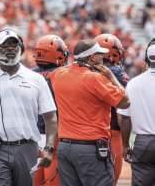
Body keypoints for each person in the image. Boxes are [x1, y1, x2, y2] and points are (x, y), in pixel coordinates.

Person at [0, 29, 58, 186]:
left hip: (27, 147)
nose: (10, 49)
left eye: (14, 45)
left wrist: (49, 147)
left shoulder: (36, 79)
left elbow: (50, 116)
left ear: (21, 49)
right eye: (4, 46)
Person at [49, 39, 130, 186]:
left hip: (65, 147)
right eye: (99, 54)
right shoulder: (96, 79)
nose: (103, 58)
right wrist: (111, 78)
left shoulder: (58, 75)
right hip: (91, 148)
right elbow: (125, 102)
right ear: (92, 57)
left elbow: (59, 73)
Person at [32, 35, 69, 186]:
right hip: (53, 135)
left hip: (31, 135)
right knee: (52, 180)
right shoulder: (62, 74)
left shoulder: (28, 74)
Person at [117, 38, 155, 186]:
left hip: (143, 142)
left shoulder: (134, 83)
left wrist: (125, 145)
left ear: (146, 59)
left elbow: (124, 119)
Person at [95, 33, 130, 184]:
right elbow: (126, 104)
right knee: (110, 180)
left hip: (90, 133)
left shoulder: (86, 71)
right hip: (112, 132)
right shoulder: (116, 72)